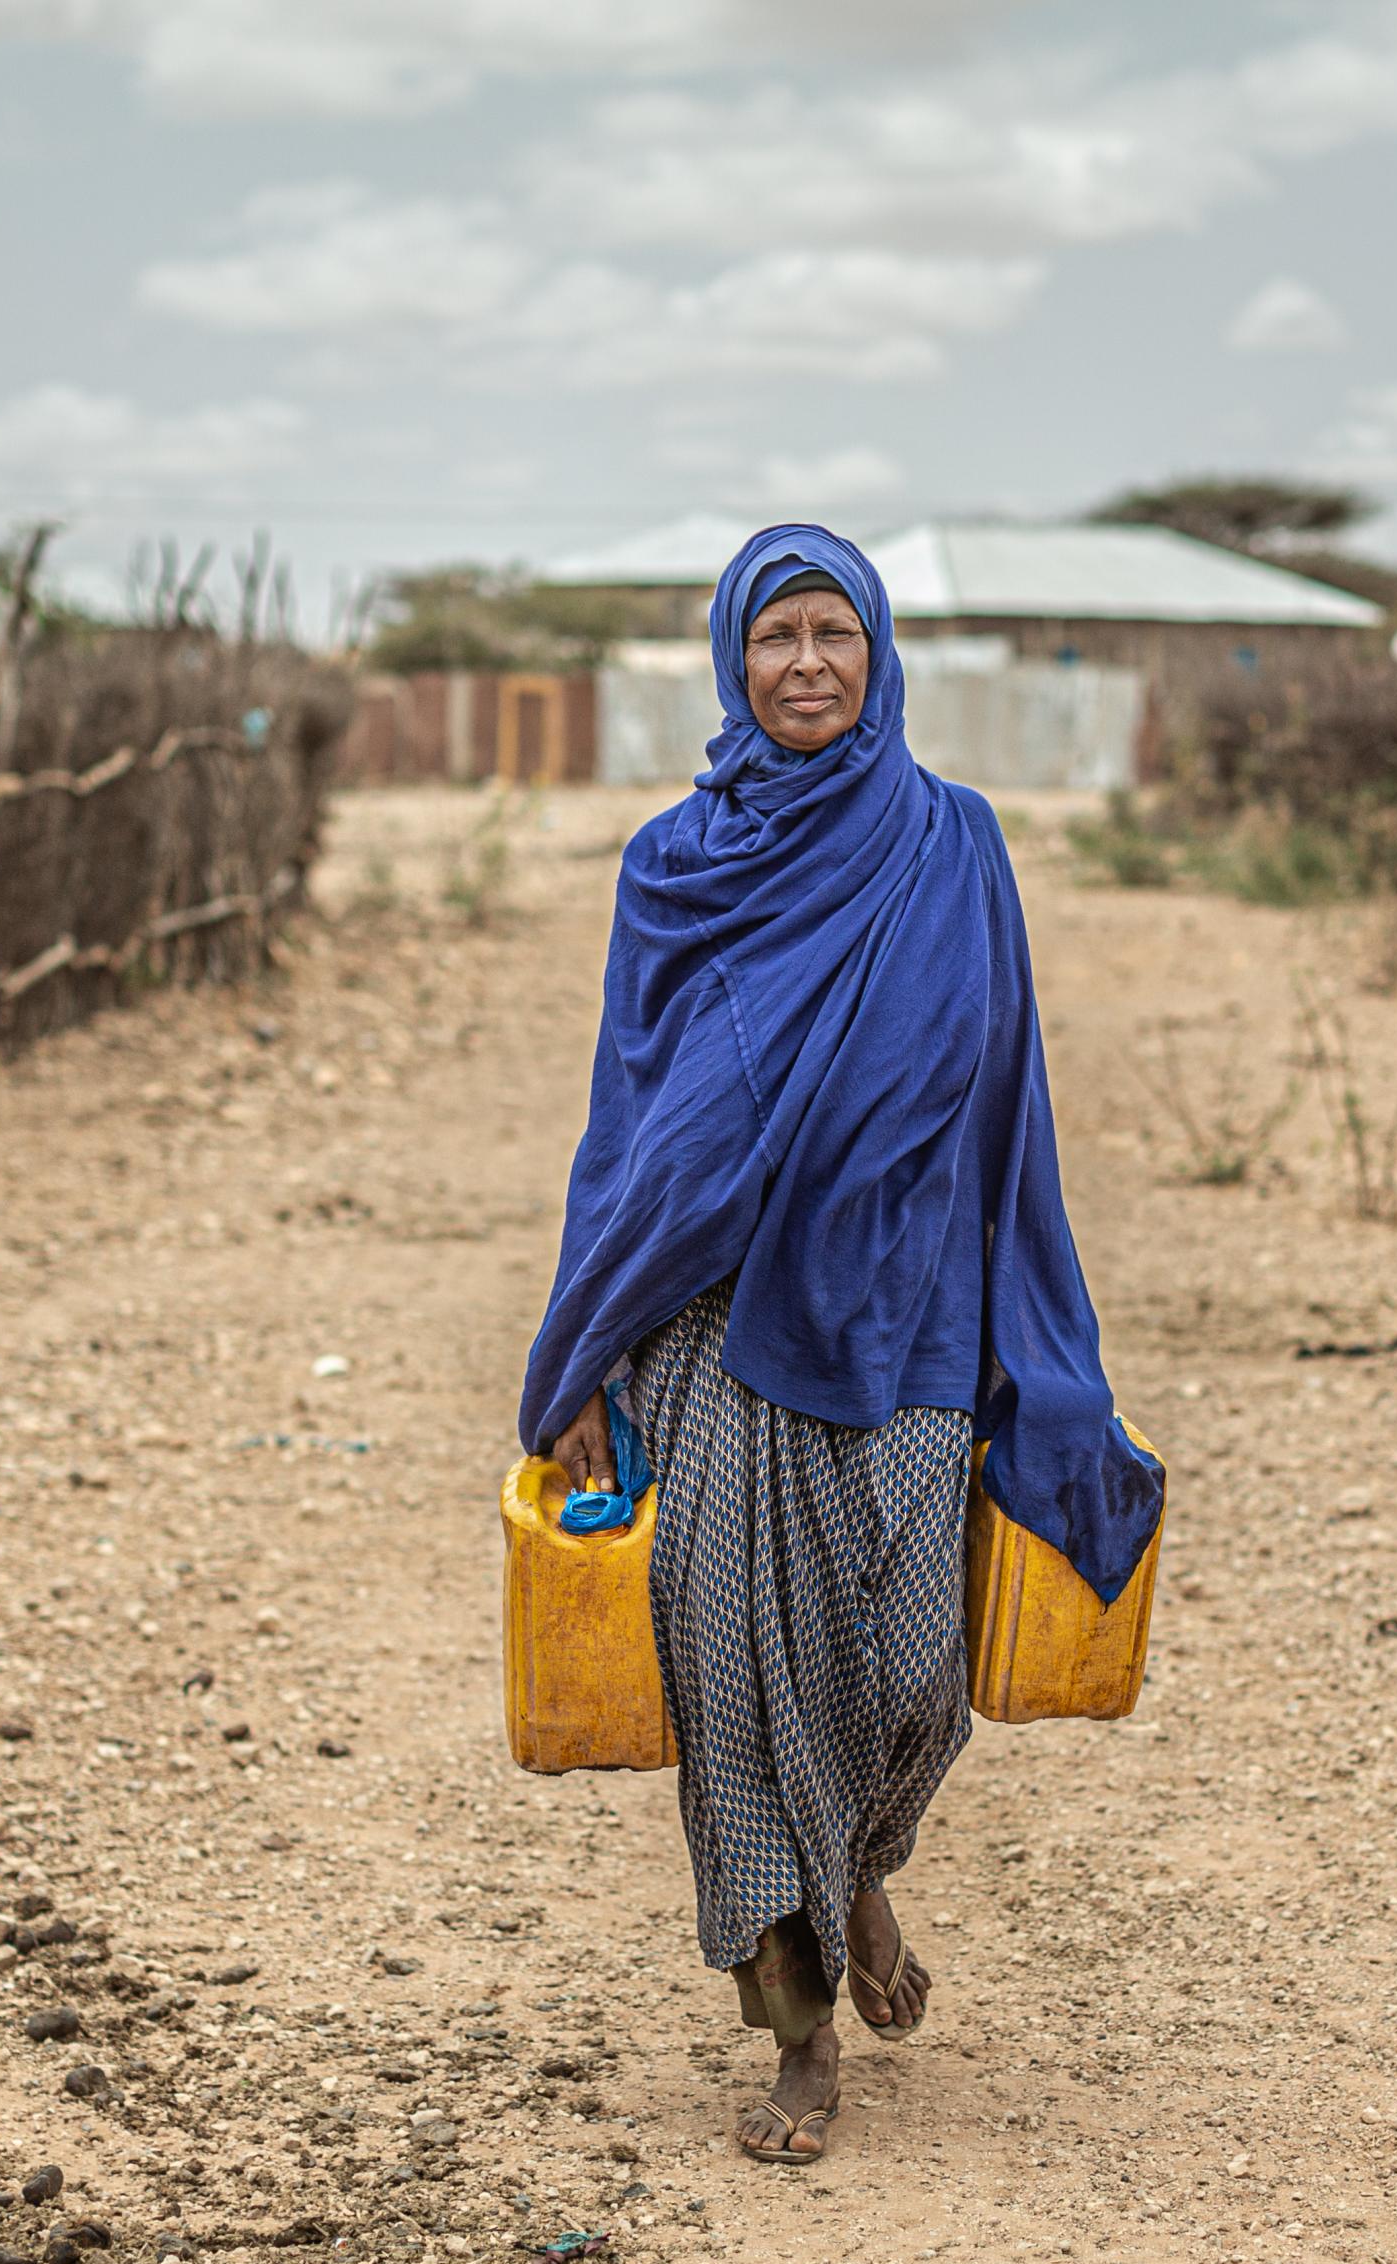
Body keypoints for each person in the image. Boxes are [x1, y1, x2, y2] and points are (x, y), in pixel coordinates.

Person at [520, 524, 1163, 2164]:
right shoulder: (676, 864)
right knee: (732, 1685)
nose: (808, 664)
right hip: (719, 1321)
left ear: (880, 657)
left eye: (836, 635)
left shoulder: (955, 844)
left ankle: (860, 1865)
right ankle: (797, 2031)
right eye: (776, 638)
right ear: (732, 663)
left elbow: (1008, 1095)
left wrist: (1043, 1342)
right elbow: (635, 1124)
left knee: (904, 1673)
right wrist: (588, 1352)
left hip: (910, 1311)